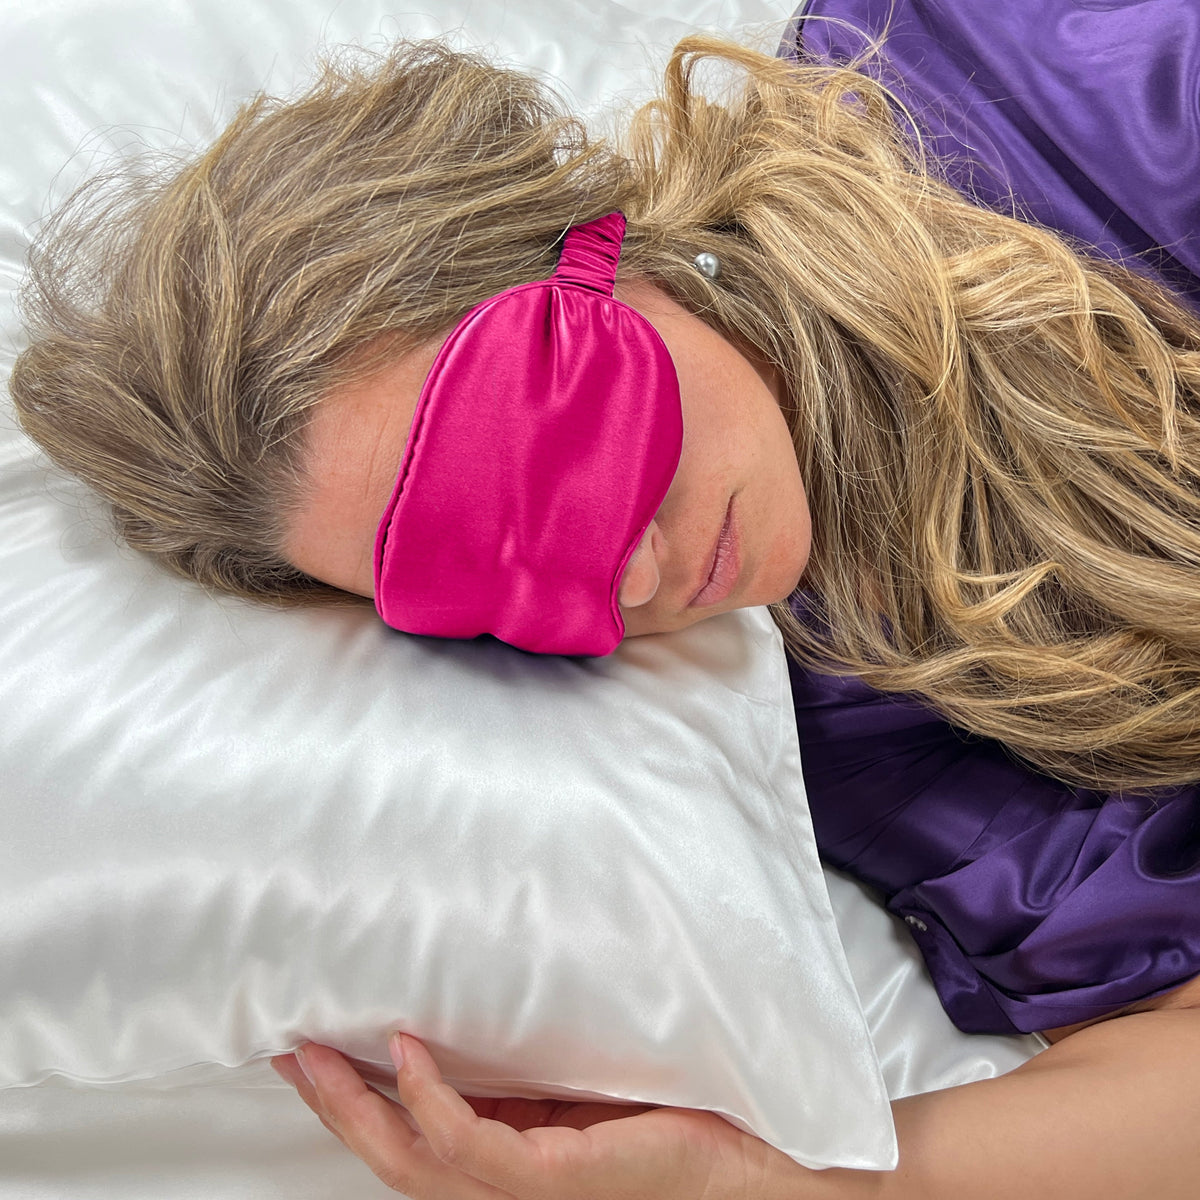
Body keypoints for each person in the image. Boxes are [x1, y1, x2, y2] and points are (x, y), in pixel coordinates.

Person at [9, 0, 1200, 1194]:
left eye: (571, 454)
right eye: (481, 579)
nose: (628, 577)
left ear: (599, 242)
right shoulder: (850, 724)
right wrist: (763, 1188)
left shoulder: (1023, 79)